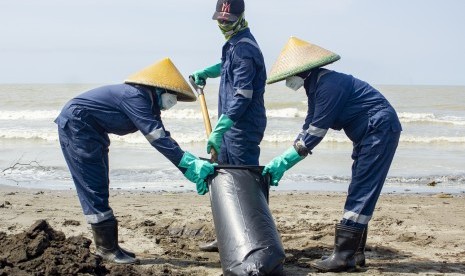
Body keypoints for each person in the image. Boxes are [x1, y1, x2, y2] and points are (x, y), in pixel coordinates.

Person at [55, 58, 216, 264]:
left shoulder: (147, 103)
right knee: (93, 184)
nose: (173, 101)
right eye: (173, 95)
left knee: (100, 183)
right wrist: (186, 165)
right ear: (158, 87)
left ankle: (110, 245)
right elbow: (156, 138)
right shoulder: (135, 96)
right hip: (77, 127)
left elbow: (163, 136)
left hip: (92, 131)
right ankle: (106, 249)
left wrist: (190, 161)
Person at [263, 37, 402, 272]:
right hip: (369, 133)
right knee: (360, 185)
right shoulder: (316, 85)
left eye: (289, 75)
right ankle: (355, 254)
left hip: (379, 130)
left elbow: (317, 131)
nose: (288, 81)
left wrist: (285, 162)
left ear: (303, 70)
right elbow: (309, 124)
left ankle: (344, 255)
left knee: (362, 188)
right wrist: (289, 150)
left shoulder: (329, 86)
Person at [190, 0, 267, 252]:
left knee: (246, 184)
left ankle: (255, 239)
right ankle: (227, 235)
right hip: (229, 127)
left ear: (241, 16)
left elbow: (244, 94)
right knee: (224, 179)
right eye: (220, 20)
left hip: (242, 128)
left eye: (228, 19)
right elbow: (227, 67)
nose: (224, 24)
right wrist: (208, 72)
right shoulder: (233, 44)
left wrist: (220, 128)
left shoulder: (245, 48)